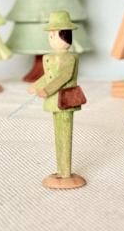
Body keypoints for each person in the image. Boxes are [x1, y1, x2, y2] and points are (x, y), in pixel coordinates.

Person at [28, 10, 87, 189]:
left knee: (65, 134)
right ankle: (60, 171)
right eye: (50, 35)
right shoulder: (49, 57)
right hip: (54, 101)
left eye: (54, 35)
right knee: (58, 136)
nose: (51, 38)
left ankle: (66, 172)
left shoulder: (70, 58)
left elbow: (63, 76)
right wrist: (36, 86)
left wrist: (47, 90)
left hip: (65, 99)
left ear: (66, 36)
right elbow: (48, 76)